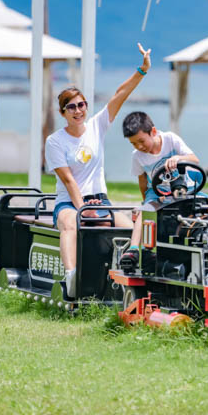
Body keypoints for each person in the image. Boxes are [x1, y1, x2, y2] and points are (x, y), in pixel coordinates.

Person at [45, 43, 151, 298]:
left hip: (100, 200)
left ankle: (131, 280)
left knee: (130, 229)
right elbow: (69, 180)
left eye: (81, 105)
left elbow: (119, 94)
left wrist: (142, 70)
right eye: (71, 107)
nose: (78, 111)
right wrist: (82, 209)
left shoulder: (97, 126)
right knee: (70, 225)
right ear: (63, 113)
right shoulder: (55, 141)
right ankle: (71, 277)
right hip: (70, 203)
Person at [118, 111, 199, 271]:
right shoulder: (138, 157)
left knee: (204, 205)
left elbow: (194, 158)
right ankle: (134, 250)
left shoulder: (170, 139)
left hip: (184, 187)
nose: (139, 146)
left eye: (141, 141)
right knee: (145, 211)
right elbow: (142, 181)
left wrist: (178, 158)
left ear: (153, 132)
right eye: (134, 144)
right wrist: (146, 202)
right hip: (157, 191)